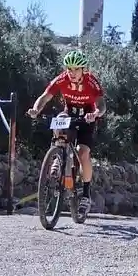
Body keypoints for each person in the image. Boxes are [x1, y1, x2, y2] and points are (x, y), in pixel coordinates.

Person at [27, 49, 106, 214]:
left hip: (87, 118)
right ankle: (57, 157)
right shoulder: (62, 79)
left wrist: (96, 113)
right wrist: (36, 109)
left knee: (82, 152)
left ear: (83, 69)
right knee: (60, 118)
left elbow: (101, 104)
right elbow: (45, 97)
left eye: (76, 69)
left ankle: (85, 194)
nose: (71, 72)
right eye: (69, 69)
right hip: (69, 114)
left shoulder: (91, 82)